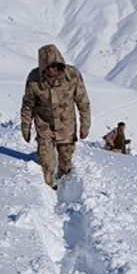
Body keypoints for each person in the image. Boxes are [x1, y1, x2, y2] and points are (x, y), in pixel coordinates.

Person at [20, 44, 91, 189]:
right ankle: (49, 188)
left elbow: (83, 102)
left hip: (66, 126)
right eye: (48, 67)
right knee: (46, 163)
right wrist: (25, 127)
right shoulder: (34, 79)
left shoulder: (72, 75)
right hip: (44, 126)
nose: (52, 70)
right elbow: (28, 105)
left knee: (65, 162)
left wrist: (85, 125)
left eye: (55, 66)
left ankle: (64, 187)